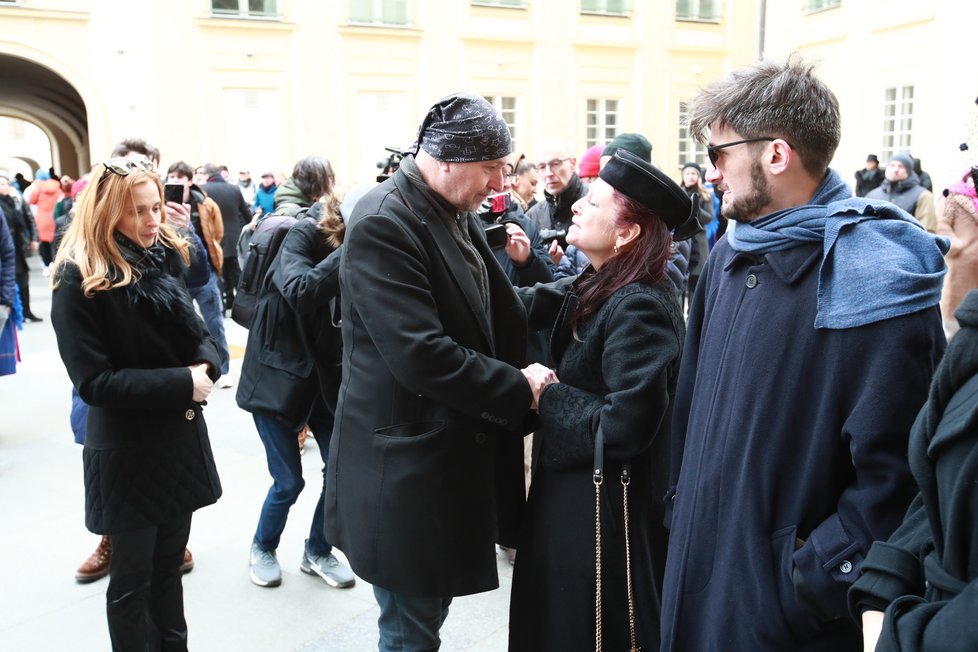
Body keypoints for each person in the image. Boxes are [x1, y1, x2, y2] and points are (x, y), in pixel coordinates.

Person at [660, 55, 948, 652]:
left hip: (787, 623)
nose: (712, 174)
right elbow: (688, 412)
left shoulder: (875, 277)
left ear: (775, 154)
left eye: (720, 154)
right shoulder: (728, 257)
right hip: (698, 587)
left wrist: (811, 576)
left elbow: (902, 477)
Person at [325, 92, 549, 651]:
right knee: (409, 630)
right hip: (404, 472)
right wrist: (517, 388)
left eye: (504, 168)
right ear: (447, 159)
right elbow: (421, 354)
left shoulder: (448, 205)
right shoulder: (383, 221)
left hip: (437, 465)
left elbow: (496, 306)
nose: (500, 183)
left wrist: (588, 292)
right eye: (491, 169)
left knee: (421, 620)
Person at [508, 149, 696, 651]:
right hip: (575, 494)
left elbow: (626, 423)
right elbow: (530, 304)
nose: (576, 207)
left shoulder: (640, 305)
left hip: (604, 511)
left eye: (593, 202)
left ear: (626, 233)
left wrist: (548, 396)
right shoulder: (603, 280)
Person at [50, 156, 222, 650]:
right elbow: (95, 383)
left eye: (155, 209)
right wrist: (183, 383)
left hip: (175, 440)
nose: (154, 222)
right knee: (132, 583)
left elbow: (197, 333)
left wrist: (206, 366)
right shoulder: (77, 276)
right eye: (140, 213)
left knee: (169, 569)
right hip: (127, 453)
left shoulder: (158, 255)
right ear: (107, 214)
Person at [236, 157, 355, 590]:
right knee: (289, 481)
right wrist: (350, 252)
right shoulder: (301, 234)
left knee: (338, 472)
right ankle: (263, 547)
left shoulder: (353, 248)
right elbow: (302, 291)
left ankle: (317, 550)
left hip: (322, 381)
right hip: (275, 380)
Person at [848, 287, 978, 652]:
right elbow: (935, 486)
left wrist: (897, 640)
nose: (953, 247)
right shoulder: (970, 342)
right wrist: (882, 582)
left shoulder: (891, 292)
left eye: (966, 225)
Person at [165, 161, 231, 386]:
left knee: (214, 322)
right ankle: (189, 366)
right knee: (181, 324)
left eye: (179, 177)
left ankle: (223, 367)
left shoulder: (205, 203)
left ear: (189, 180)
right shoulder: (161, 206)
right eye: (171, 176)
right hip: (176, 274)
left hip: (205, 271)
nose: (174, 181)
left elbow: (217, 233)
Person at [201, 163, 252, 312]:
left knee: (219, 273)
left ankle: (223, 305)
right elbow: (246, 212)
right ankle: (243, 305)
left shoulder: (204, 190)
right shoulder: (234, 189)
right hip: (233, 237)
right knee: (236, 273)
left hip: (214, 238)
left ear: (207, 175)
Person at [935, 167, 978, 339]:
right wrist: (955, 246)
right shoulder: (952, 195)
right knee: (955, 317)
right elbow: (942, 224)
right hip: (961, 265)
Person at [0, 171, 41, 321]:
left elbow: (27, 218)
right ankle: (17, 312)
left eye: (4, 184)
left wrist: (33, 238)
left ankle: (26, 310)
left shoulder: (15, 200)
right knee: (12, 279)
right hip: (6, 246)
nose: (2, 187)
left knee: (23, 278)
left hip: (17, 245)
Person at [866, 152, 938, 232]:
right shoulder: (872, 195)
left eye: (901, 166)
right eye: (892, 165)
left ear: (909, 171)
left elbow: (928, 232)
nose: (895, 170)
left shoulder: (923, 196)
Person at [28, 169, 63, 274]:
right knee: (55, 242)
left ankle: (47, 265)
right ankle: (55, 263)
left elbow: (31, 200)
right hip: (54, 218)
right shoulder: (57, 187)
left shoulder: (38, 188)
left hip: (42, 219)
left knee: (44, 244)